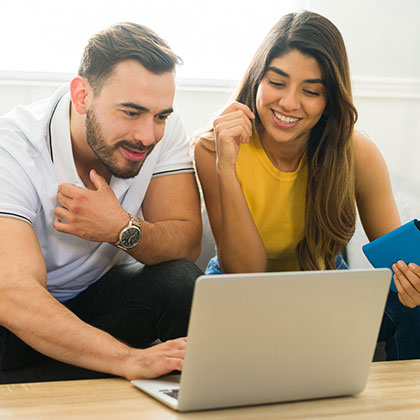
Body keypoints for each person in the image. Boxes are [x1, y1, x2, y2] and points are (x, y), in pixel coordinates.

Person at [194, 11, 420, 360]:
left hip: (323, 293)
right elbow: (244, 274)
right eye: (277, 82)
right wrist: (227, 165)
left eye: (311, 91)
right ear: (258, 80)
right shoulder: (214, 148)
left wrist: (413, 280)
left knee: (415, 305)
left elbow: (398, 263)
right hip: (240, 294)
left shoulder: (357, 153)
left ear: (330, 100)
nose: (288, 103)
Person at [0, 22, 203, 382]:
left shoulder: (163, 128)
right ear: (82, 96)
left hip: (90, 302)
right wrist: (130, 360)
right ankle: (78, 370)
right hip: (13, 318)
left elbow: (186, 243)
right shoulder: (12, 148)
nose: (146, 135)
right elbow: (13, 293)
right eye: (130, 112)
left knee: (182, 282)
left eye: (160, 116)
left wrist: (122, 229)